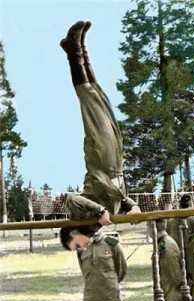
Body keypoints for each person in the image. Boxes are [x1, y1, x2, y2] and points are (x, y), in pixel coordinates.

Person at [60, 21, 140, 224]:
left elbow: (71, 199)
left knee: (90, 100)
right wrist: (133, 207)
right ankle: (78, 49)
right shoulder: (113, 204)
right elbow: (122, 198)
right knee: (101, 97)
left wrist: (99, 211)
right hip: (116, 163)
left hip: (102, 159)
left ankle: (74, 52)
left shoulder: (88, 202)